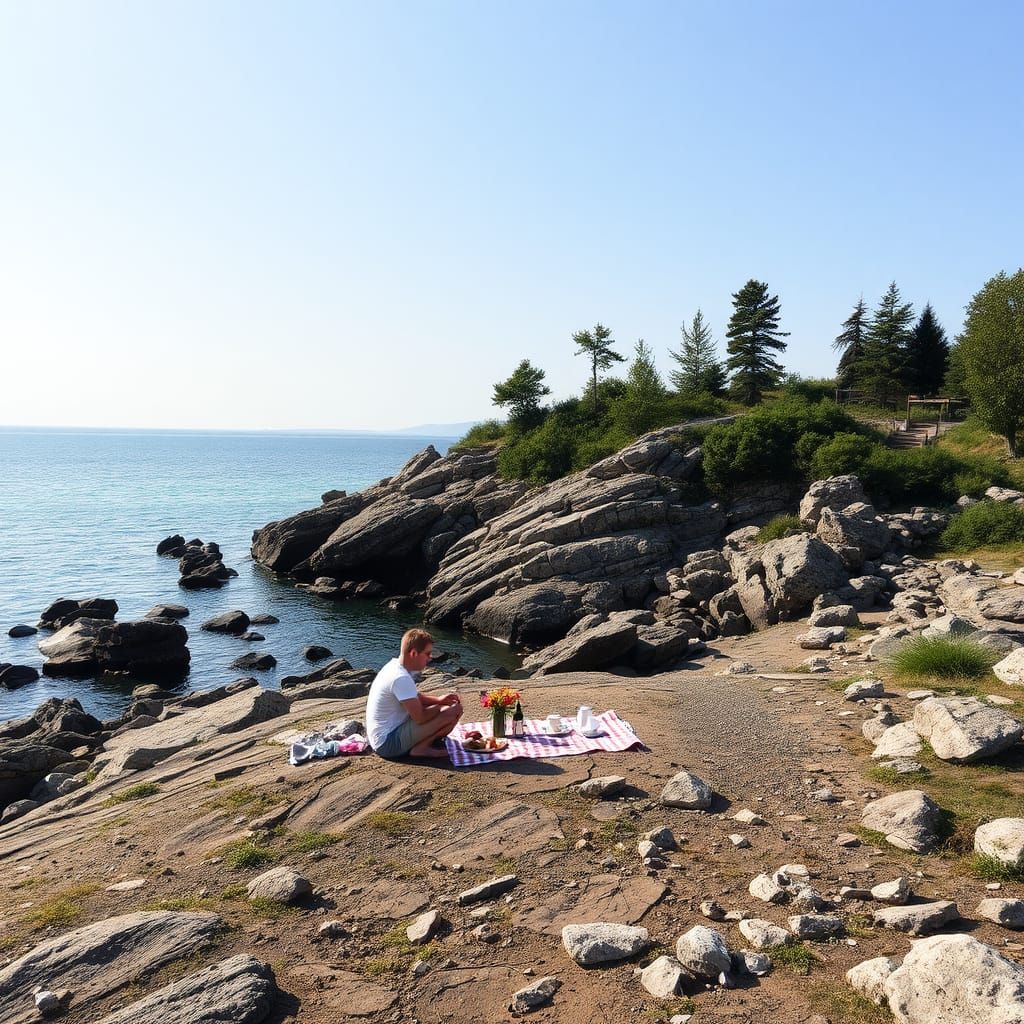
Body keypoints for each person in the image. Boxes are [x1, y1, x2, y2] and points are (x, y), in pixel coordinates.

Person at [366, 628, 462, 759]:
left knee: (448, 709)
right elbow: (420, 717)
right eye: (427, 654)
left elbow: (414, 697)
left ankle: (422, 744)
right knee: (453, 711)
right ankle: (421, 749)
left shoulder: (395, 666)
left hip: (386, 734)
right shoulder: (400, 678)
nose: (430, 658)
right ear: (413, 653)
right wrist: (441, 709)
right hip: (387, 744)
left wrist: (439, 700)